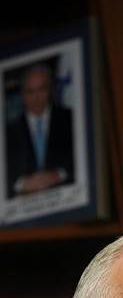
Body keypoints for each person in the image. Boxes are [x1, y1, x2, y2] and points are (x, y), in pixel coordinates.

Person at [6, 64, 74, 198]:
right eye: (30, 91)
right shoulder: (7, 133)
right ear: (22, 95)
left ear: (50, 90)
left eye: (41, 89)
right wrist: (22, 184)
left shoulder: (70, 119)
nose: (36, 97)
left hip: (65, 197)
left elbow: (81, 161)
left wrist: (59, 175)